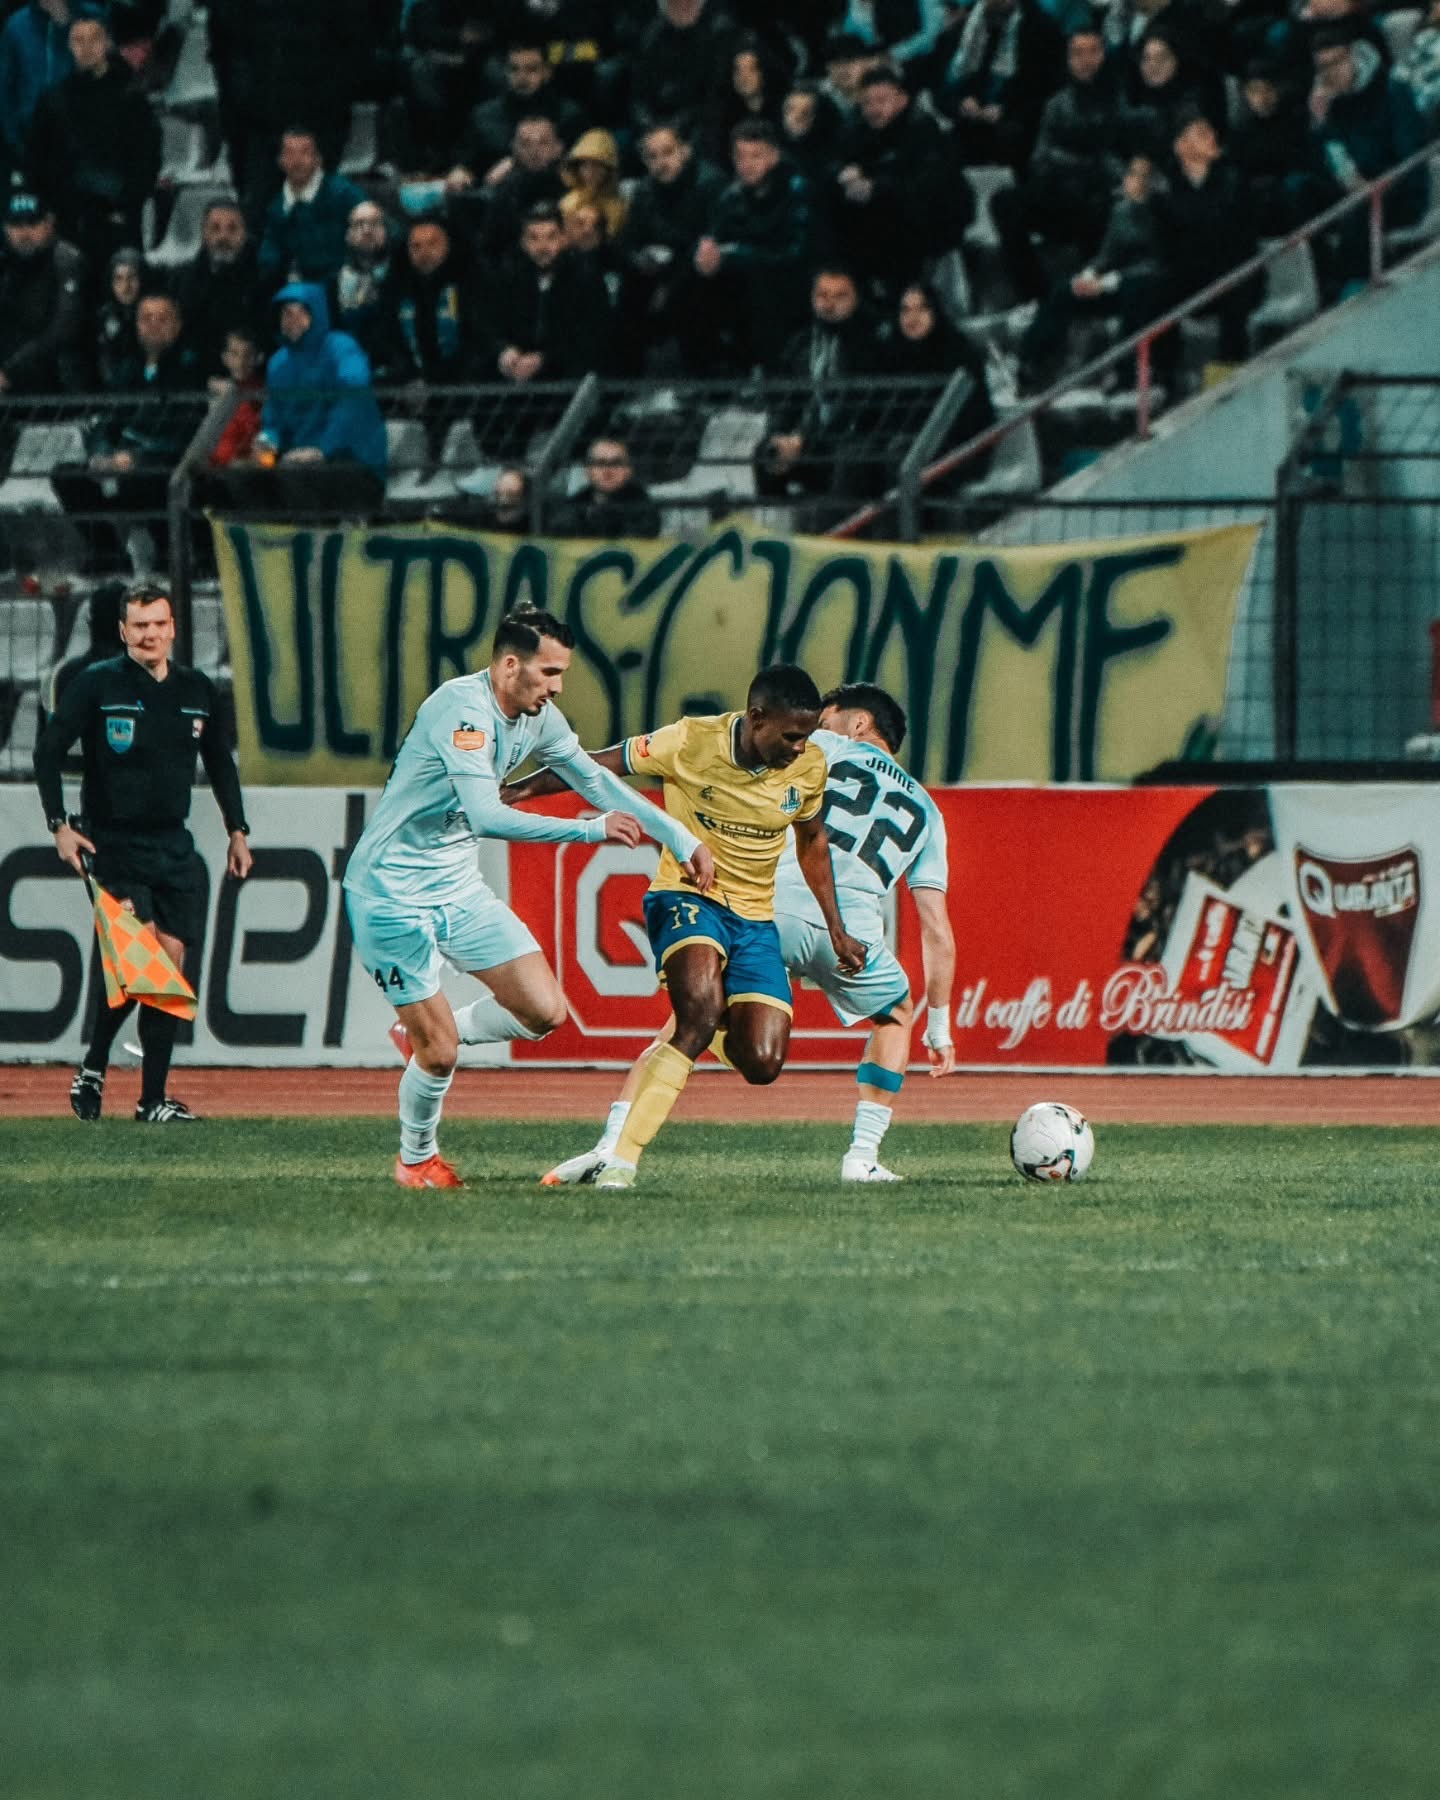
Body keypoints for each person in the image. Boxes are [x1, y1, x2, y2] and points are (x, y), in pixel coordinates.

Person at [345, 607, 714, 1188]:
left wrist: (679, 836)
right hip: (391, 895)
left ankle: (426, 1033)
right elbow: (487, 815)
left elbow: (594, 779)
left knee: (545, 1012)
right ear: (510, 666)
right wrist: (588, 831)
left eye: (562, 673)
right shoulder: (463, 712)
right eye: (549, 672)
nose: (558, 686)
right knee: (439, 1054)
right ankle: (416, 1160)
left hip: (458, 888)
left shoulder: (539, 718)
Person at [543, 683, 955, 1185]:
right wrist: (940, 1027)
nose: (807, 733)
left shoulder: (820, 748)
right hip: (849, 937)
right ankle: (862, 1158)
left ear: (858, 723)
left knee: (686, 1024)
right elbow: (936, 927)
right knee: (896, 1014)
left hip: (768, 906)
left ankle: (611, 1146)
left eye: (823, 720)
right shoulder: (928, 811)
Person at [500, 664, 867, 1190]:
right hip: (687, 896)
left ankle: (698, 1029)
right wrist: (520, 791)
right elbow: (596, 766)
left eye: (806, 736)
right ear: (756, 718)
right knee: (697, 1016)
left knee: (762, 1062)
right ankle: (621, 1163)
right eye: (791, 736)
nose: (800, 747)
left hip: (754, 919)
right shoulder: (690, 741)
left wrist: (836, 929)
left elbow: (812, 842)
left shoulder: (808, 767)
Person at [33, 581, 253, 1124]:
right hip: (112, 844)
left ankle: (151, 1099)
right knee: (143, 964)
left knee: (167, 972)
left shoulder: (196, 689)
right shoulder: (97, 683)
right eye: (139, 626)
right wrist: (59, 825)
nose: (150, 634)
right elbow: (47, 750)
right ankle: (95, 1065)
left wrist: (237, 829)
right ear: (123, 631)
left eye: (158, 624)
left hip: (173, 846)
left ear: (173, 628)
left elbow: (220, 763)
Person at [224, 283, 387, 514]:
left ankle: (311, 534)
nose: (293, 320)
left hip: (353, 460)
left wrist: (323, 450)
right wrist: (265, 446)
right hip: (295, 461)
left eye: (301, 313)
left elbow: (353, 398)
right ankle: (267, 534)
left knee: (295, 473)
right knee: (241, 473)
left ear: (317, 314)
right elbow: (273, 419)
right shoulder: (278, 363)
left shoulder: (341, 347)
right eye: (287, 314)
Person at [26, 2, 160, 271]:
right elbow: (38, 161)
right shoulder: (53, 102)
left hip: (118, 220)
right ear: (69, 45)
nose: (86, 47)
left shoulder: (132, 99)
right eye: (78, 40)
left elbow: (148, 159)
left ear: (107, 42)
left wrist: (125, 203)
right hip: (70, 223)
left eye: (94, 39)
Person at [255, 127, 368, 292]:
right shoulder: (277, 207)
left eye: (305, 152)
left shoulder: (344, 193)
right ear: (280, 161)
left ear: (318, 159)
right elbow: (270, 253)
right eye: (290, 153)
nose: (297, 161)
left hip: (347, 284)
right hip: (300, 289)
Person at [0, 189, 89, 395]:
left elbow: (65, 328)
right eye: (16, 225)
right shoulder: (6, 265)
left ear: (49, 222)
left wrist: (10, 371)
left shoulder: (66, 259)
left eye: (32, 223)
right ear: (5, 228)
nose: (24, 233)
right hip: (12, 384)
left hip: (61, 388)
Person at [173, 199, 263, 381]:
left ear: (245, 234)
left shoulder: (264, 280)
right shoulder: (183, 281)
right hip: (198, 379)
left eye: (232, 229)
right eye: (215, 228)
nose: (223, 237)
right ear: (204, 233)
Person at [551, 437, 662, 538]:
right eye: (600, 463)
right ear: (588, 469)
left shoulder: (642, 507)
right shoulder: (574, 505)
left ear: (628, 470)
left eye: (616, 463)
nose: (607, 471)